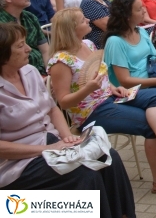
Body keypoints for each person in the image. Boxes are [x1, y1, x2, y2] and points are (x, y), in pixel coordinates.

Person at [46, 9, 156, 195]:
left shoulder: (88, 44)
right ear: (72, 28)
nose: (88, 20)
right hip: (91, 111)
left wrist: (112, 88)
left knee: (155, 95)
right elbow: (64, 102)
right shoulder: (61, 61)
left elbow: (100, 76)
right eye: (83, 20)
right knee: (149, 125)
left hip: (110, 97)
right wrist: (88, 89)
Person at [0, 24, 137, 212]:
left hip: (52, 144)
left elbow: (52, 109)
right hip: (19, 163)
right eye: (20, 45)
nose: (28, 49)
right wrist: (45, 149)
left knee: (109, 156)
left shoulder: (29, 71)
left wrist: (67, 137)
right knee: (86, 175)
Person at [0, 0, 49, 74]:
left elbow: (45, 50)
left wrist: (49, 73)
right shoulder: (2, 24)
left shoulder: (30, 17)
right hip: (17, 74)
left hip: (41, 71)